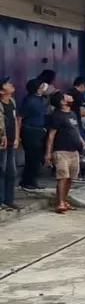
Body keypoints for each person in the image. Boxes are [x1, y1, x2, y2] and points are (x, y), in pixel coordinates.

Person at [46, 90, 85, 213]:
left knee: (70, 178)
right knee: (62, 177)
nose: (70, 97)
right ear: (62, 101)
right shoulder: (57, 115)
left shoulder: (72, 114)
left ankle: (64, 200)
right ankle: (60, 203)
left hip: (74, 151)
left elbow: (75, 130)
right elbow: (51, 135)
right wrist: (48, 153)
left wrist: (82, 142)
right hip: (61, 151)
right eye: (67, 96)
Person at [19, 79, 47, 190]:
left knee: (37, 157)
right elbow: (20, 117)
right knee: (32, 157)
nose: (44, 87)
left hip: (39, 130)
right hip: (29, 130)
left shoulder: (40, 99)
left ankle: (32, 180)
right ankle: (26, 181)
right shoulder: (29, 100)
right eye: (41, 85)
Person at [0, 78, 19, 210]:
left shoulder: (12, 102)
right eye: (7, 84)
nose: (11, 84)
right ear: (1, 91)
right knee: (1, 170)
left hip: (12, 141)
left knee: (11, 171)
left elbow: (15, 120)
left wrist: (17, 138)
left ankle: (9, 199)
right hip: (2, 143)